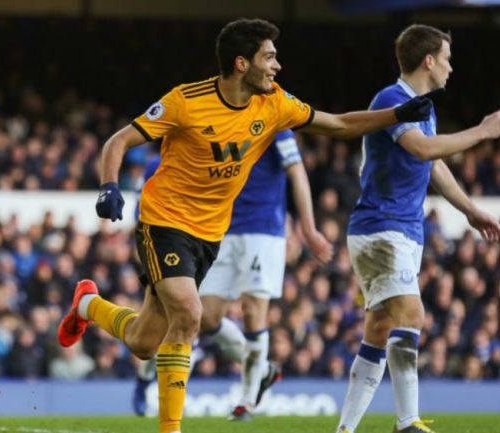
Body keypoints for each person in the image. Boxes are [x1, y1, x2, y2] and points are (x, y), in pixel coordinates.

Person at [58, 18, 432, 433]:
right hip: (163, 220)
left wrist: (396, 114)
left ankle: (87, 305)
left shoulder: (273, 103)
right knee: (190, 312)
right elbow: (119, 141)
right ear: (241, 63)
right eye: (269, 57)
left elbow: (339, 124)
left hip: (211, 233)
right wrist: (109, 186)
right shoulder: (186, 101)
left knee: (146, 342)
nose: (277, 66)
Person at [336, 24, 500, 433]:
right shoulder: (392, 99)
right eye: (446, 58)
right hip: (382, 228)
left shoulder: (424, 106)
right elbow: (423, 148)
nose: (451, 67)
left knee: (378, 330)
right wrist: (482, 132)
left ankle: (344, 429)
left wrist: (470, 210)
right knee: (411, 313)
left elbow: (432, 164)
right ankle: (407, 422)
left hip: (402, 231)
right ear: (428, 60)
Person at [132, 130, 332, 421]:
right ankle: (263, 372)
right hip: (218, 229)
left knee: (253, 312)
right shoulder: (221, 124)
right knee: (204, 316)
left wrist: (308, 227)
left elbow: (297, 170)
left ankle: (247, 402)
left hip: (263, 231)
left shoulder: (276, 125)